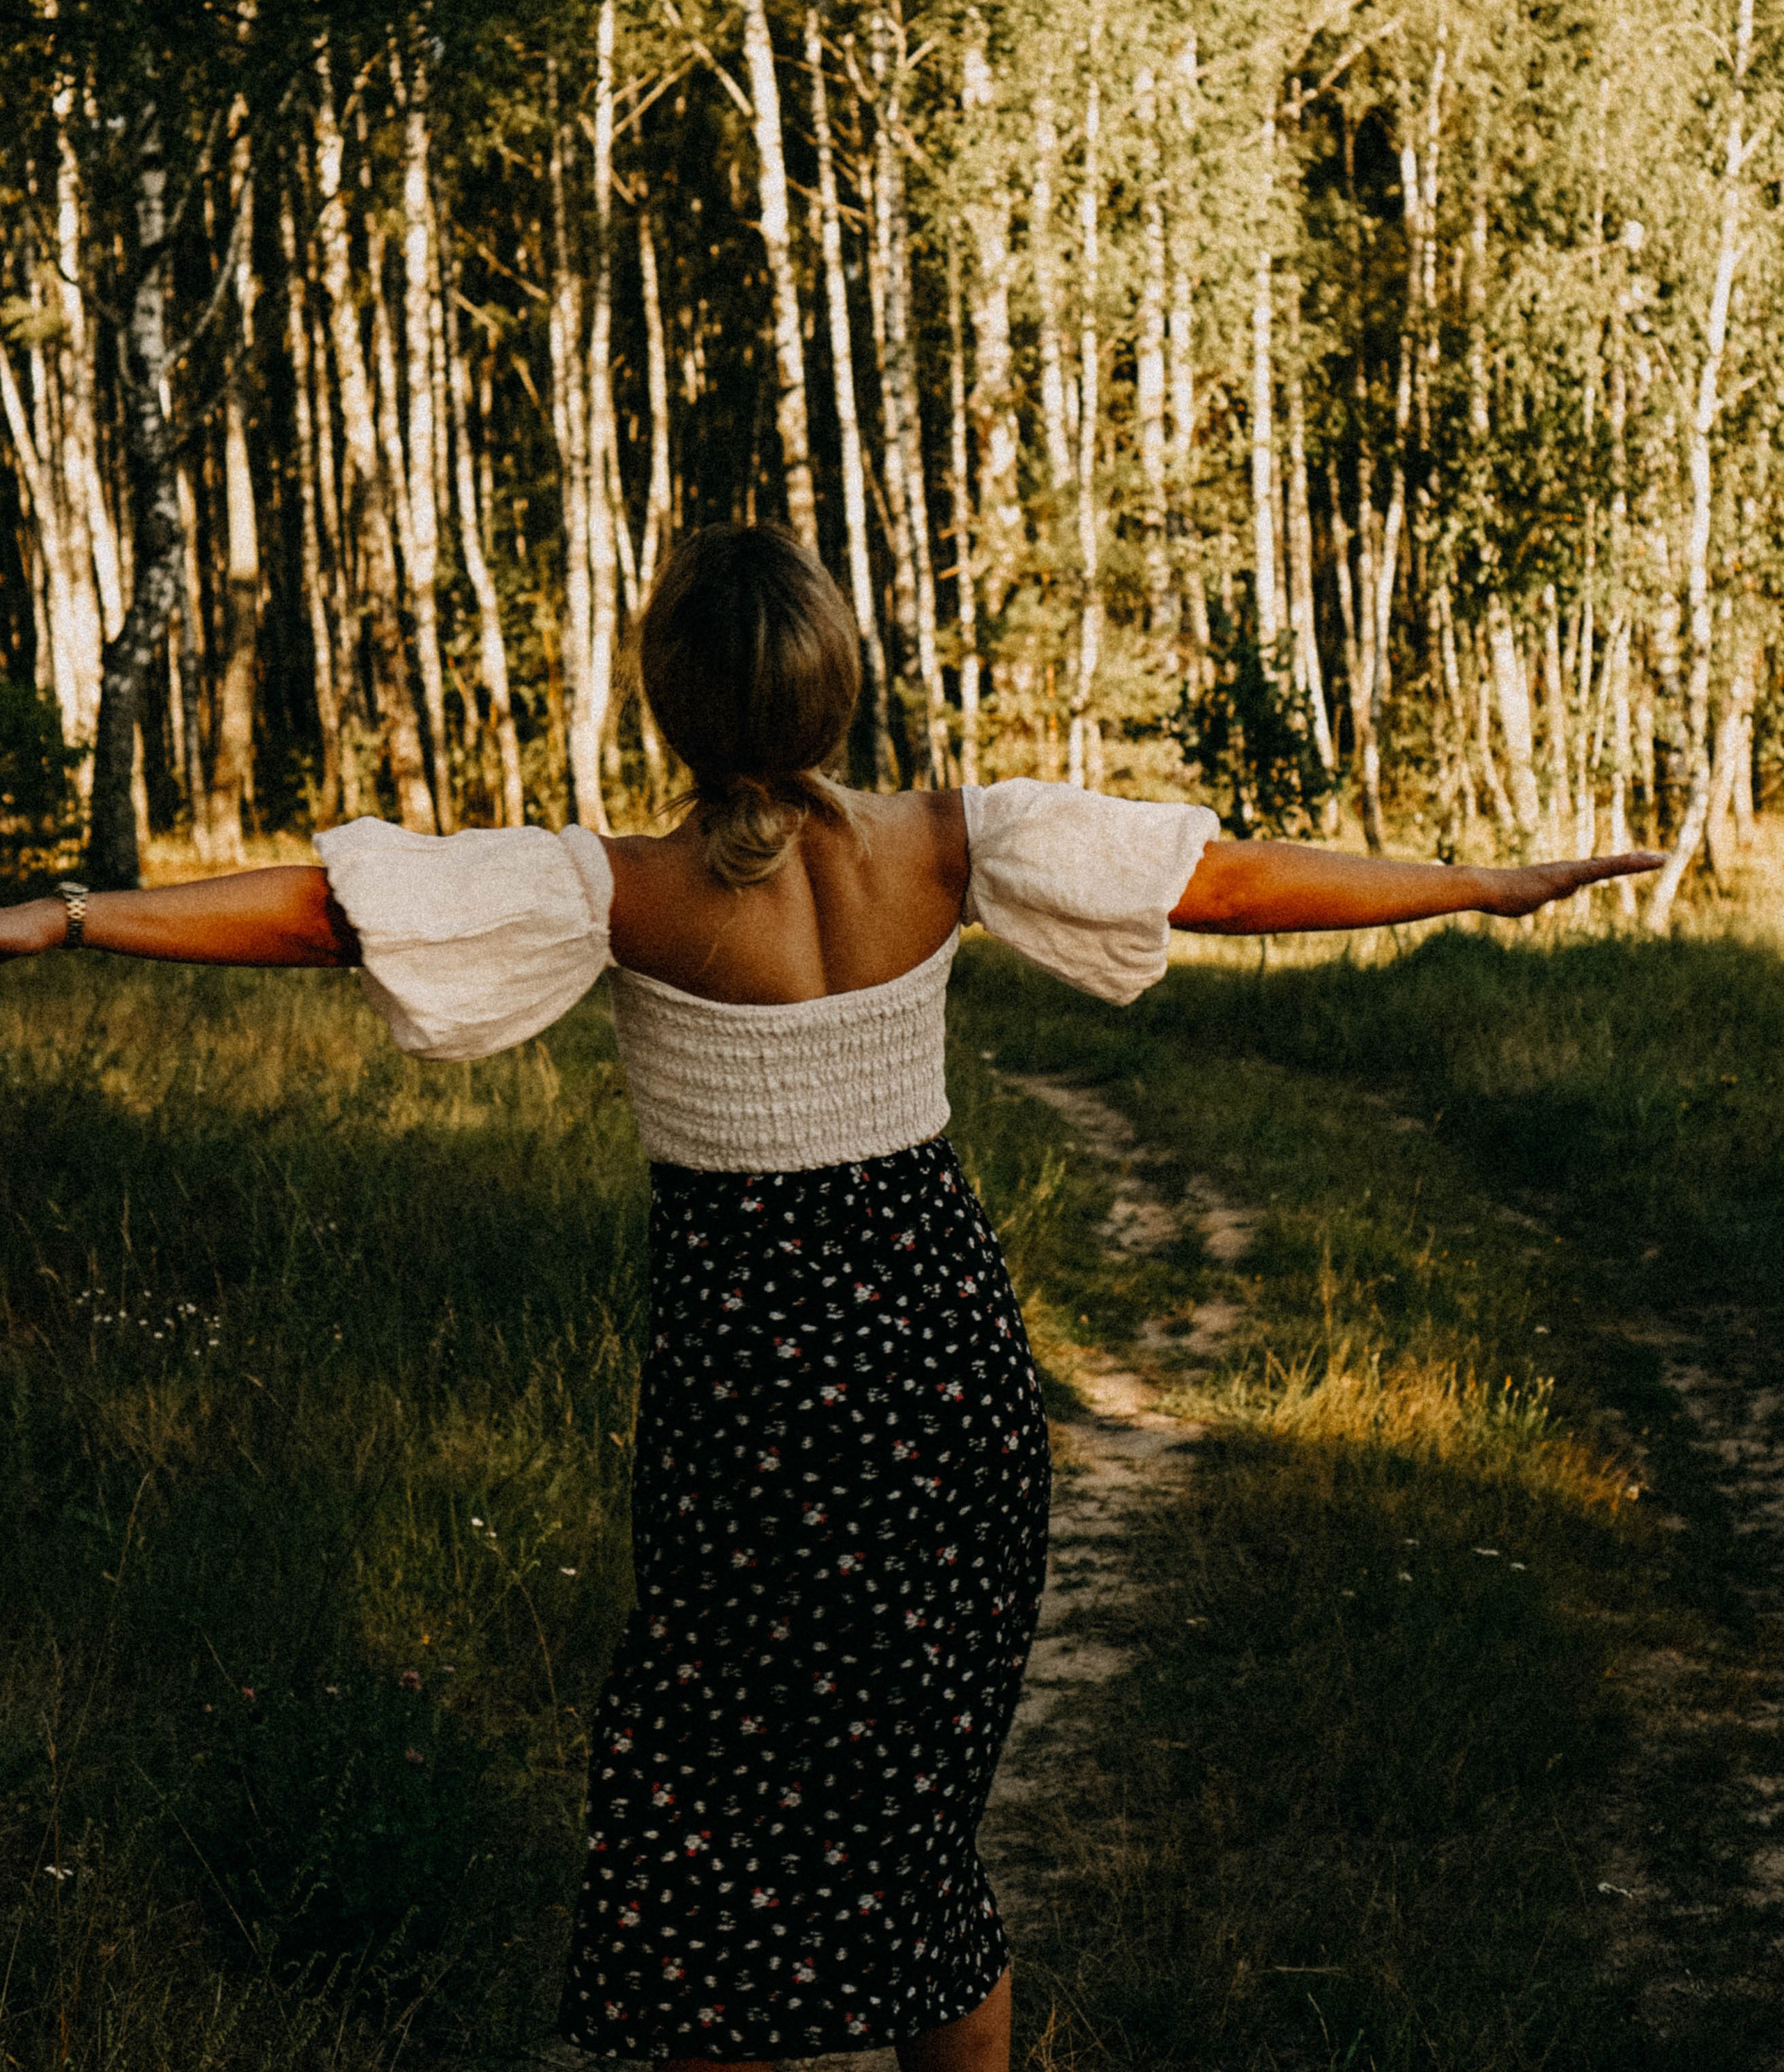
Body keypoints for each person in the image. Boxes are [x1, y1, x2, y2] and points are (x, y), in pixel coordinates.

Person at [0, 523, 1662, 2071]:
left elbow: (318, 917)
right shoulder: (949, 839)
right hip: (948, 1370)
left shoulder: (616, 884)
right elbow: (1225, 883)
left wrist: (74, 917)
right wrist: (1479, 882)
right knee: (912, 1825)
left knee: (707, 1809)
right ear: (835, 687)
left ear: (665, 700)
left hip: (759, 1400)